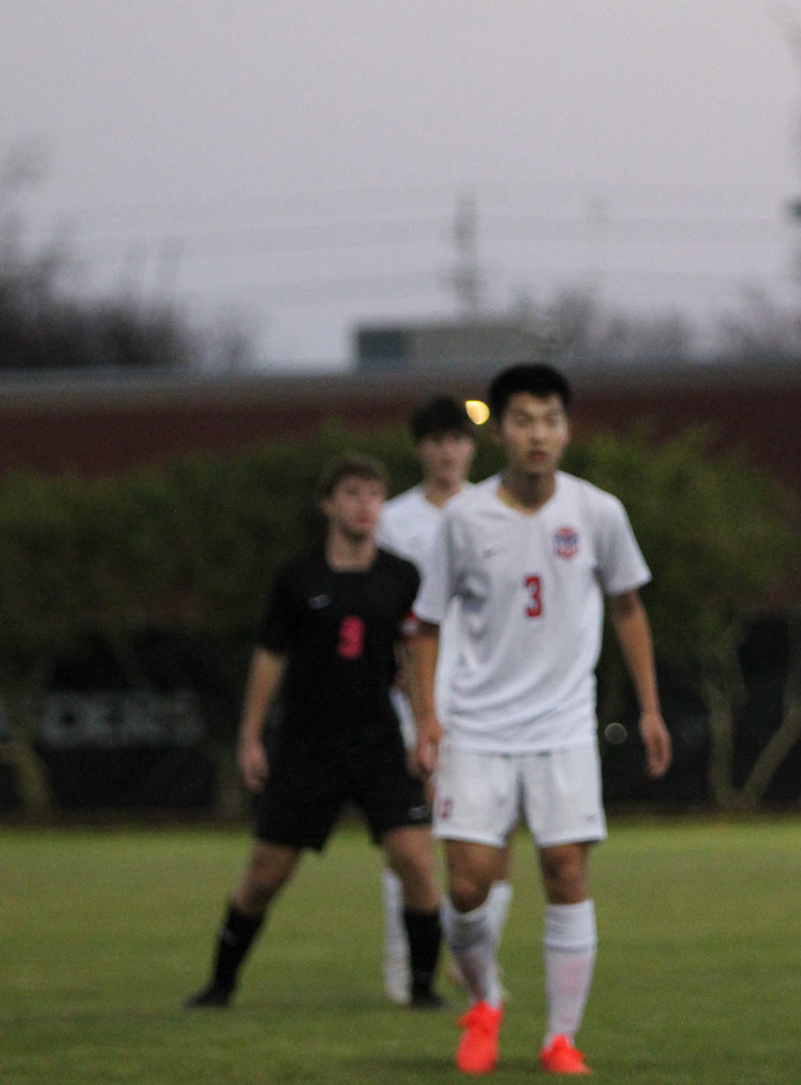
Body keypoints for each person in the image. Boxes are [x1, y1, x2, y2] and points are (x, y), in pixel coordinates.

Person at [409, 363, 673, 1076]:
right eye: (523, 420)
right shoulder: (464, 518)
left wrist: (650, 708)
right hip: (477, 727)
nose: (538, 434)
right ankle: (484, 1001)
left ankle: (561, 1038)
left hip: (562, 727)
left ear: (567, 430)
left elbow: (628, 607)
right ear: (499, 431)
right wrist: (428, 716)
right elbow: (425, 624)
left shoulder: (598, 512)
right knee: (468, 885)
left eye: (550, 420)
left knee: (565, 872)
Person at [185, 454, 445, 1011]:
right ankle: (220, 986)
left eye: (374, 494)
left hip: (378, 740)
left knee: (416, 862)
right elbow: (271, 656)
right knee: (264, 876)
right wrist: (251, 736)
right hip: (308, 744)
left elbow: (414, 655)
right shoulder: (298, 578)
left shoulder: (401, 577)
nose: (365, 505)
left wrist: (426, 725)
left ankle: (423, 989)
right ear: (328, 504)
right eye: (352, 493)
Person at [375, 396, 515, 1006]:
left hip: (489, 698)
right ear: (420, 449)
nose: (448, 451)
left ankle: (475, 959)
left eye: (457, 439)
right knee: (415, 841)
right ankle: (407, 958)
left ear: (472, 447)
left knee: (496, 837)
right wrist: (408, 695)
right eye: (436, 440)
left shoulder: (497, 511)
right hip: (416, 696)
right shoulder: (394, 521)